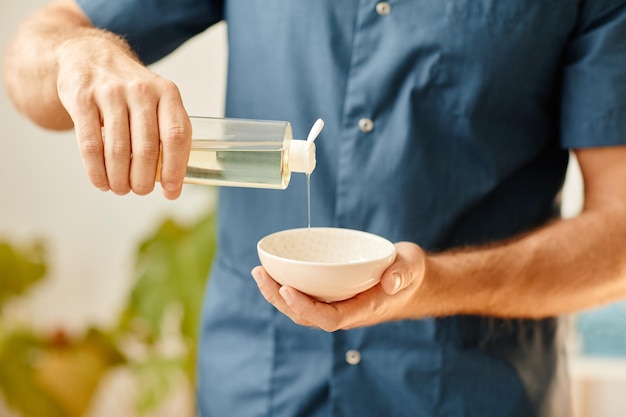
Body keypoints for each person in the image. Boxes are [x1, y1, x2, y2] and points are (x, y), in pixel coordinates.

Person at [5, 0, 626, 416]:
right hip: (254, 387)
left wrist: (433, 284)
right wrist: (78, 57)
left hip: (473, 392)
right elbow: (33, 50)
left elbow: (618, 234)